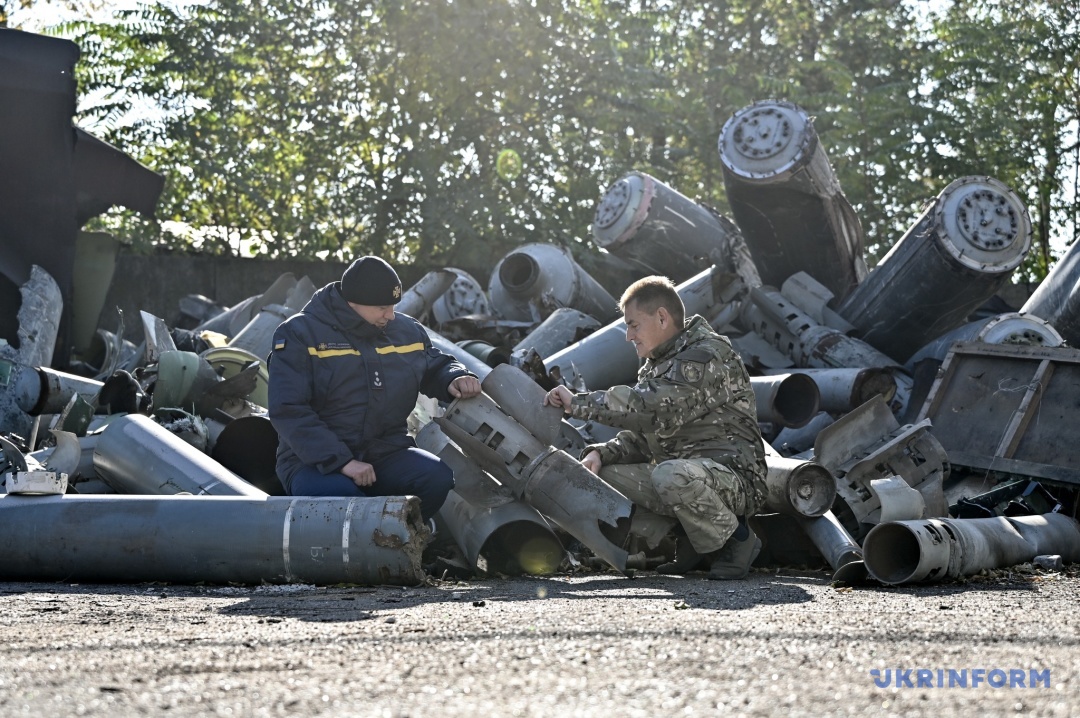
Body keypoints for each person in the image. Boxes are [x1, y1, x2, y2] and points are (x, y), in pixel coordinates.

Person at [543, 275, 768, 579]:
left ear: (662, 317)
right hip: (689, 474)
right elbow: (642, 437)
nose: (628, 336)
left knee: (670, 474)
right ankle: (693, 543)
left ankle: (737, 540)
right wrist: (600, 454)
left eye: (633, 324)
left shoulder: (705, 355)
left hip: (734, 479)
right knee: (605, 476)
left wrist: (578, 403)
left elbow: (647, 406)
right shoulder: (657, 363)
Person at [267, 256, 482, 521]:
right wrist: (343, 463)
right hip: (313, 462)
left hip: (384, 452)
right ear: (353, 302)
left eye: (393, 305)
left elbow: (433, 364)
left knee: (436, 477)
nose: (390, 315)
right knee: (344, 503)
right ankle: (354, 555)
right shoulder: (299, 335)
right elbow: (288, 410)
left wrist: (455, 377)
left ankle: (402, 543)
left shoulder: (407, 331)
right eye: (382, 307)